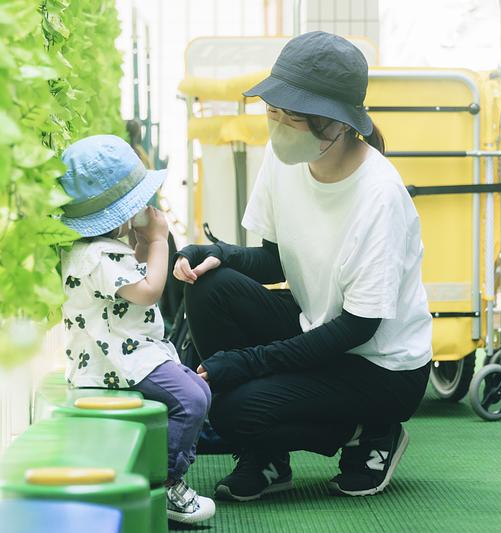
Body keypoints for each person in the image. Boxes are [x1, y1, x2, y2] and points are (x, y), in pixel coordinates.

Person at [174, 32, 433, 502]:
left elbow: (359, 327)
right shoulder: (283, 157)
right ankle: (269, 458)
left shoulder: (379, 196)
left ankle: (371, 431)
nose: (276, 124)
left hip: (380, 368)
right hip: (315, 326)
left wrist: (247, 363)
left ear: (336, 123)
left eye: (290, 116)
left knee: (233, 410)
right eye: (272, 110)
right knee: (210, 286)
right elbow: (273, 259)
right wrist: (217, 255)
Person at [58, 134, 215, 523]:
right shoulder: (97, 255)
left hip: (126, 355)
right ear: (122, 212)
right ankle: (162, 485)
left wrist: (143, 245)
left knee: (199, 391)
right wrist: (160, 241)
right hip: (114, 363)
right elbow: (148, 291)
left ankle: (162, 477)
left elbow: (134, 279)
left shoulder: (99, 250)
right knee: (192, 401)